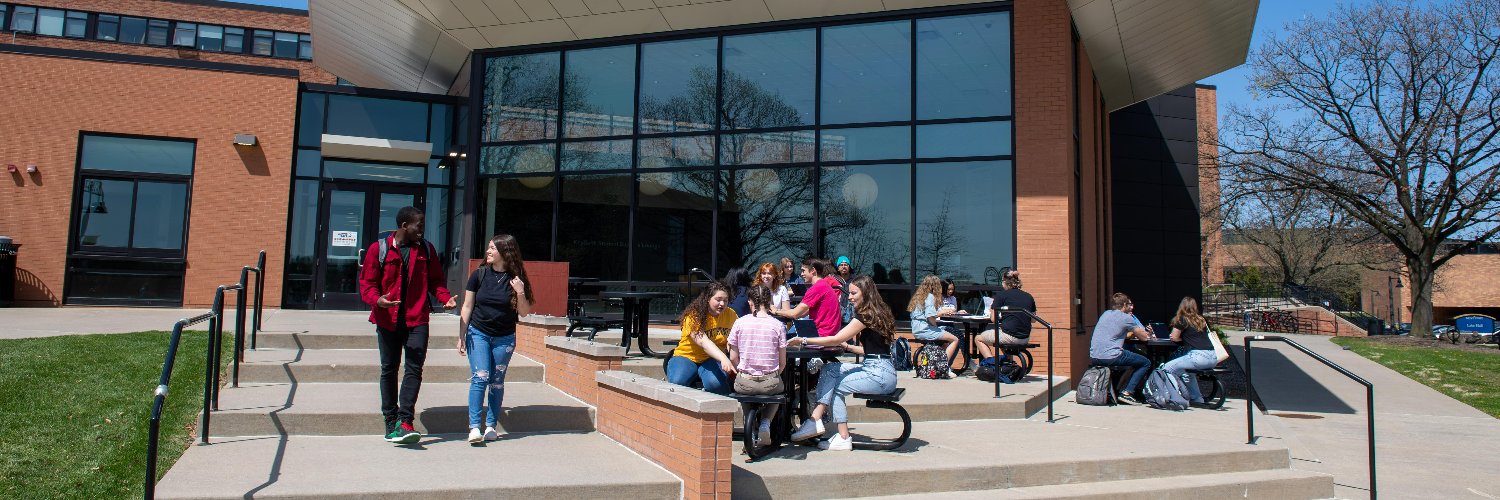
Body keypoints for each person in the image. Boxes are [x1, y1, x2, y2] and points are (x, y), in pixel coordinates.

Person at [358, 206, 456, 444]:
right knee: (389, 369)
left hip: (417, 319)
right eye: (418, 226)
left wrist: (445, 298)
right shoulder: (378, 249)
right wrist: (378, 300)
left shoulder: (426, 250)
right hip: (386, 320)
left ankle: (405, 421)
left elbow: (436, 282)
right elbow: (367, 284)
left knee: (414, 369)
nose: (422, 231)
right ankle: (390, 422)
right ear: (404, 226)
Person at [788, 276, 899, 451]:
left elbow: (835, 339)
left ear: (866, 293)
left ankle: (843, 436)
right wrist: (848, 347)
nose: (851, 297)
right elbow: (873, 352)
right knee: (830, 368)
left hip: (878, 375)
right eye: (850, 293)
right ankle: (815, 420)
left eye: (854, 293)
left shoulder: (866, 315)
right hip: (881, 369)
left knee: (838, 386)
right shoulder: (878, 312)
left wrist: (803, 339)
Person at [457, 234, 532, 444]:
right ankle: (474, 427)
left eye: (492, 248)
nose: (488, 252)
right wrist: (461, 335)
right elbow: (467, 306)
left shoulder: (516, 280)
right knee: (480, 377)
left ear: (505, 252)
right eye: (488, 247)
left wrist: (520, 292)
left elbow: (524, 312)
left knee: (496, 382)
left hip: (504, 337)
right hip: (478, 333)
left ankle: (490, 426)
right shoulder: (479, 275)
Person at [726, 285, 788, 445]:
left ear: (750, 302)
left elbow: (733, 357)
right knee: (779, 392)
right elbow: (782, 363)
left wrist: (742, 369)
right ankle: (766, 422)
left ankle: (749, 424)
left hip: (745, 381)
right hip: (770, 382)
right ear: (769, 302)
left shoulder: (739, 323)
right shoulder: (778, 326)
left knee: (743, 393)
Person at [666, 281, 739, 394]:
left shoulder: (731, 314)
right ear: (708, 299)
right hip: (687, 357)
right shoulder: (693, 315)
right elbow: (703, 342)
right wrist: (723, 358)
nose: (722, 304)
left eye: (725, 300)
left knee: (715, 384)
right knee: (677, 382)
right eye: (718, 299)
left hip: (712, 360)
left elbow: (739, 337)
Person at [1088, 293, 1154, 404]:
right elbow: (1144, 338)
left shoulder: (1105, 314)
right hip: (1111, 356)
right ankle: (1127, 393)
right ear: (1124, 305)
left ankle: (1119, 389)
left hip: (1094, 356)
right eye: (1129, 304)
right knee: (1145, 362)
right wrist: (1148, 333)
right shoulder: (1126, 318)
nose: (1131, 307)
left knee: (1133, 358)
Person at [1161, 297, 1216, 404]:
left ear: (1182, 307)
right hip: (1213, 357)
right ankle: (1197, 398)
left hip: (1197, 356)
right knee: (1187, 373)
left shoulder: (1182, 319)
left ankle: (1174, 396)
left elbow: (1174, 337)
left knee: (1166, 369)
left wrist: (1180, 338)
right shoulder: (1201, 320)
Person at [773, 257, 841, 337]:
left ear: (813, 270)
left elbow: (795, 314)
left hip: (821, 335)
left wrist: (776, 311)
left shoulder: (817, 288)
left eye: (803, 271)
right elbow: (801, 314)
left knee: (782, 339)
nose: (801, 274)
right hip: (828, 333)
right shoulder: (823, 285)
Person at [907, 275, 960, 376]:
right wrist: (937, 322)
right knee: (955, 339)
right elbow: (930, 317)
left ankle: (939, 364)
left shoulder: (919, 296)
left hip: (917, 329)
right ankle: (943, 367)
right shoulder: (930, 297)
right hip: (926, 330)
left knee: (945, 341)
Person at [979, 270, 1034, 362]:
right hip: (1025, 337)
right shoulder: (1028, 296)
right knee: (1001, 336)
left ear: (1005, 282)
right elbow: (1033, 319)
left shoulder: (1001, 295)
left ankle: (992, 364)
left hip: (1010, 336)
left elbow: (993, 319)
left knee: (978, 338)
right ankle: (1009, 364)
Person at [834, 256, 855, 323]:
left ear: (849, 267)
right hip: (838, 311)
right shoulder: (834, 280)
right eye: (841, 265)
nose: (843, 266)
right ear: (838, 268)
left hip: (852, 311)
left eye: (846, 265)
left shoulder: (855, 280)